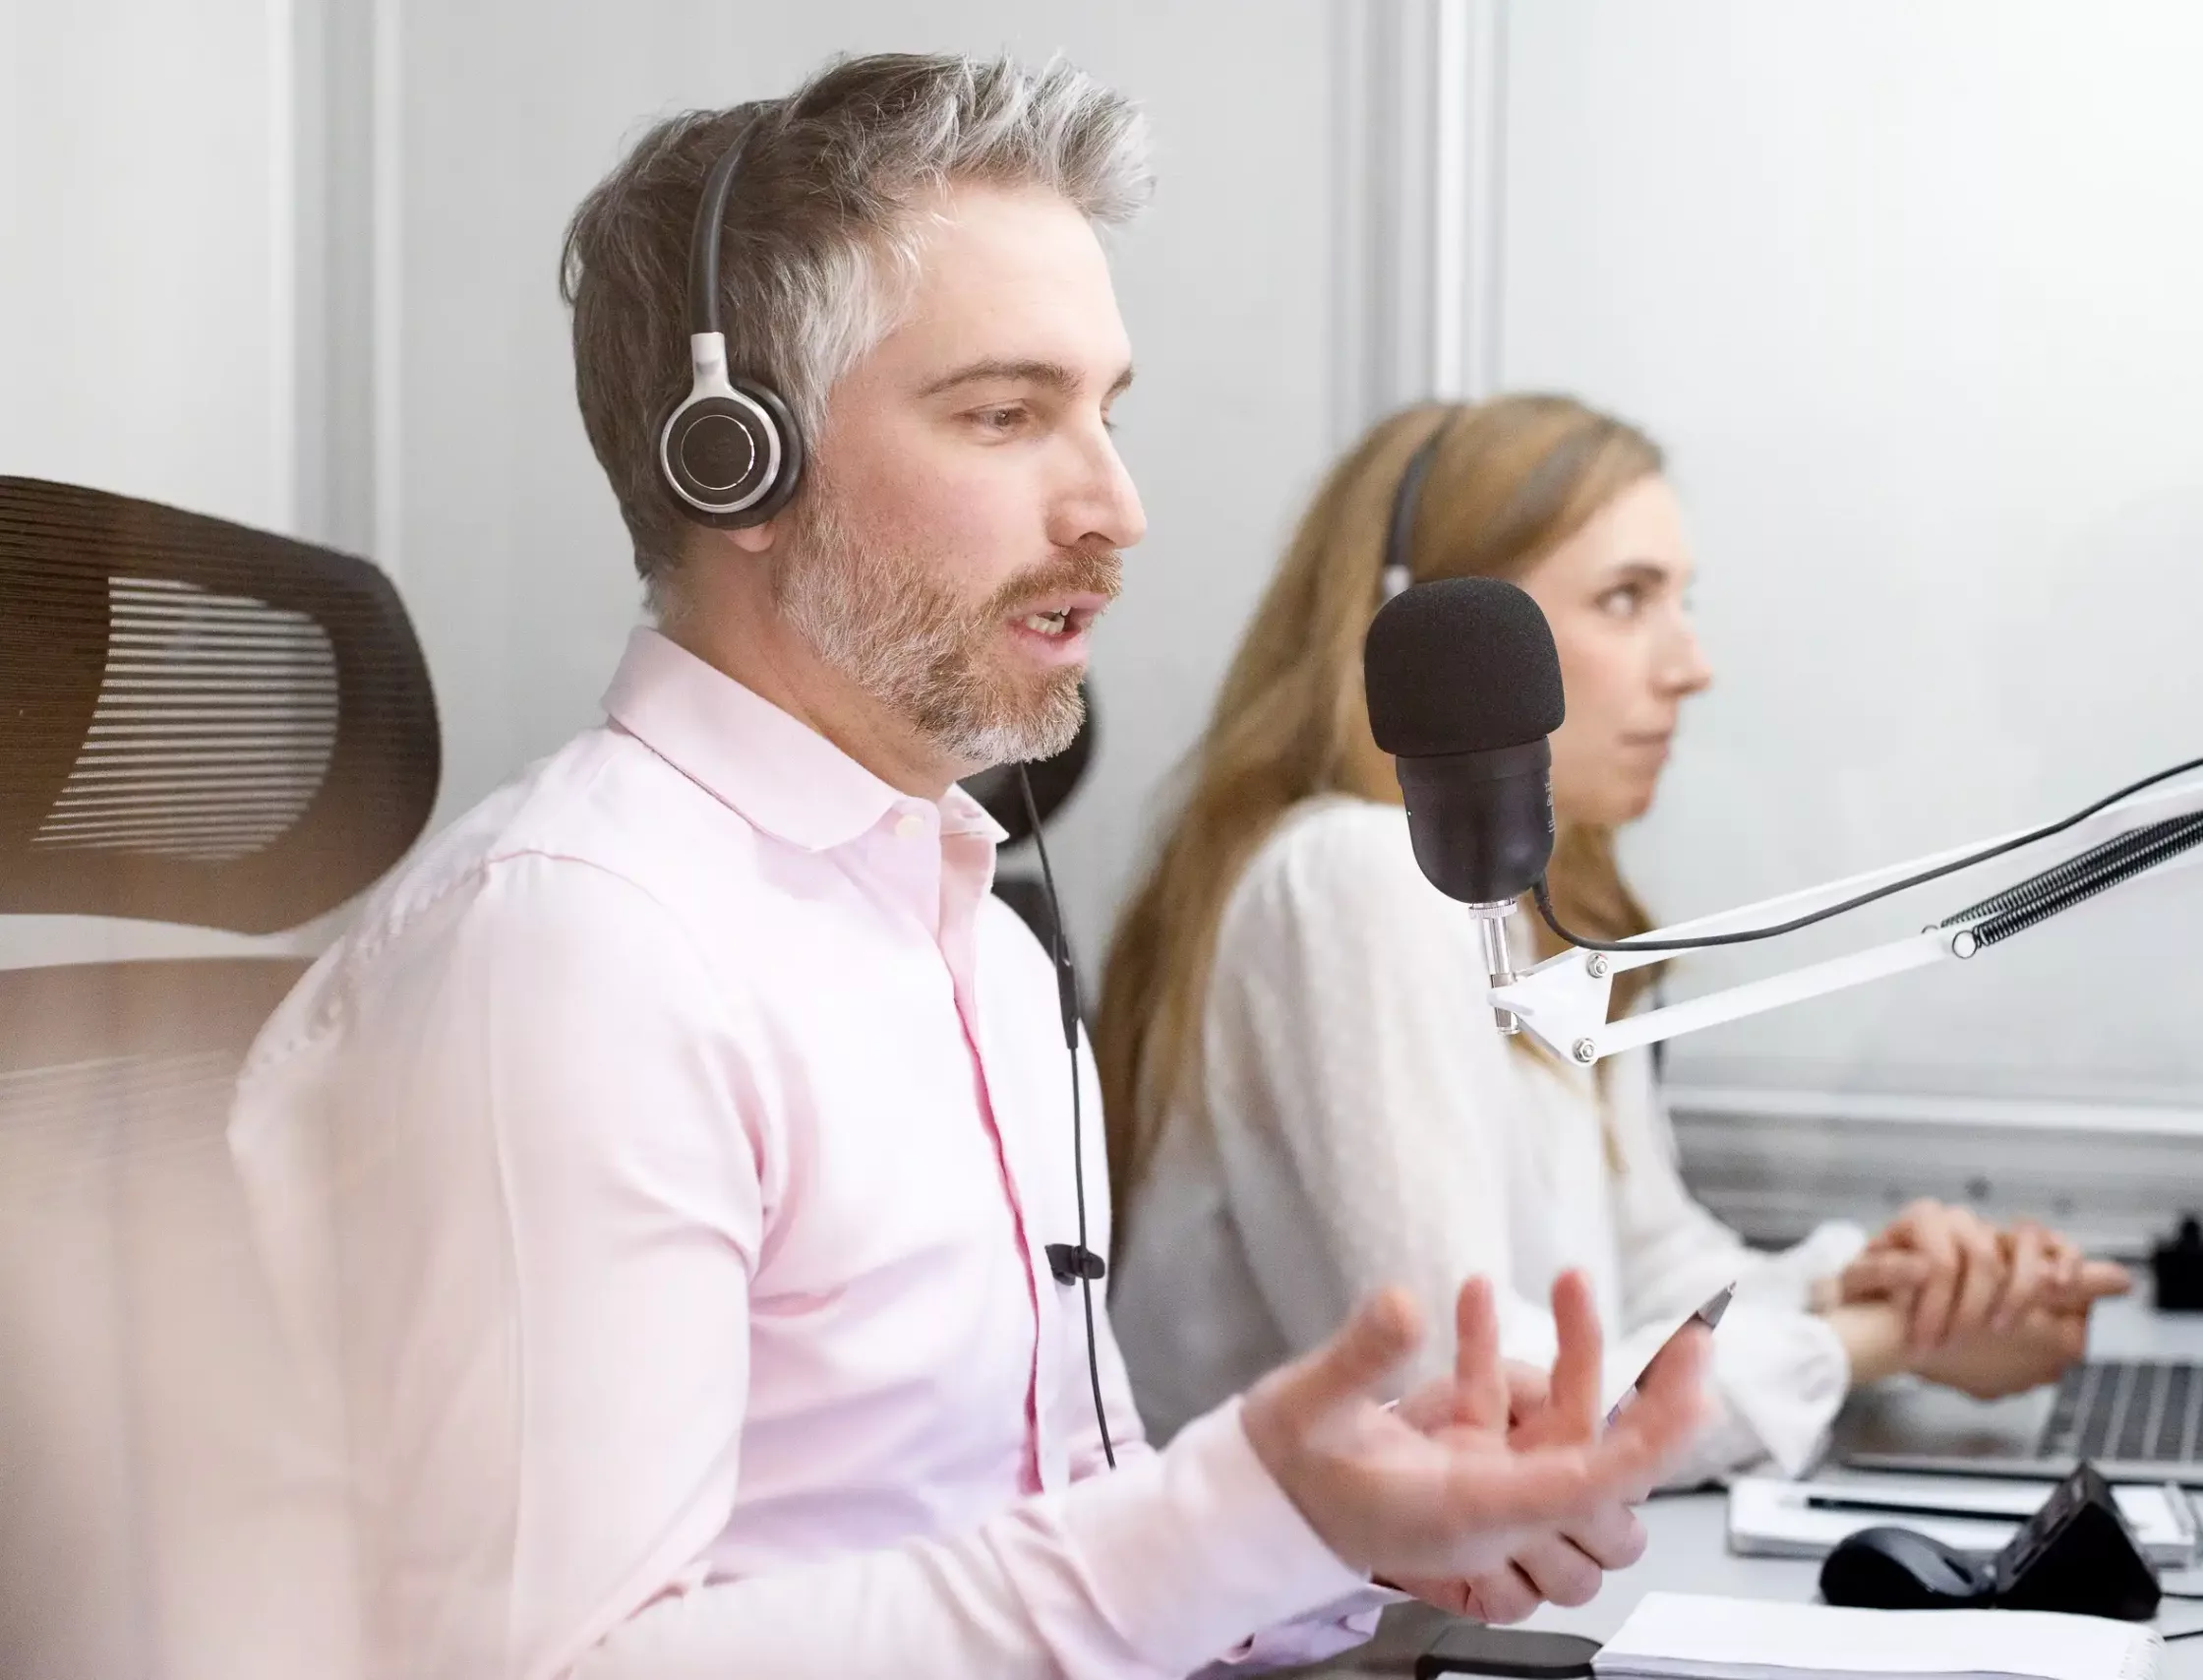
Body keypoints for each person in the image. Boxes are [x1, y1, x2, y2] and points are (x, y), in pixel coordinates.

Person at [225, 58, 1714, 1680]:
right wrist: (1219, 1515)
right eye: (1007, 415)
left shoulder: (982, 952)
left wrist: (1339, 1521)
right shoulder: (580, 949)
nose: (1118, 507)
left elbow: (1037, 1556)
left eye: (1108, 412)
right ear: (737, 460)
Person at [1100, 394, 2134, 1482]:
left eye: (1680, 601)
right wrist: (1868, 1347)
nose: (1691, 665)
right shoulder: (1357, 876)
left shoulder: (1548, 911)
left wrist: (1864, 1285)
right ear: (1453, 655)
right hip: (1336, 1644)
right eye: (1625, 599)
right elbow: (1484, 1395)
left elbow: (1647, 1272)